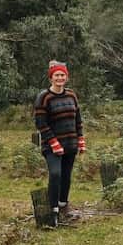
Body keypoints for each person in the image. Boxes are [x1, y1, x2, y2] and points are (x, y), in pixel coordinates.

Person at [33, 60, 84, 223]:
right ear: (51, 78)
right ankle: (53, 209)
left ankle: (63, 205)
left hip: (70, 143)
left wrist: (80, 139)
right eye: (57, 75)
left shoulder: (71, 95)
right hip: (52, 145)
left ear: (66, 77)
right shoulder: (44, 97)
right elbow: (41, 123)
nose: (60, 78)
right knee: (56, 174)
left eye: (62, 75)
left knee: (66, 176)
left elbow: (78, 119)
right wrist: (54, 143)